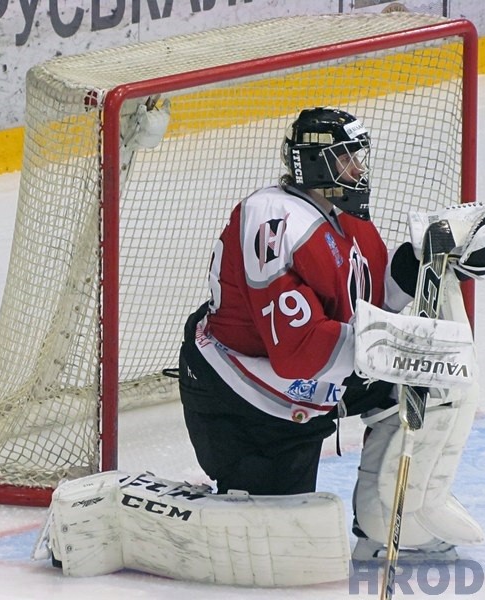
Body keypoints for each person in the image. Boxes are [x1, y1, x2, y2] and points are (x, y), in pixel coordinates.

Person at [178, 107, 420, 497]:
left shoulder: (343, 215)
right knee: (271, 538)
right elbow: (298, 351)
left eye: (357, 158)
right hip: (245, 398)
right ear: (314, 165)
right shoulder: (273, 221)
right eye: (345, 159)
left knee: (422, 387)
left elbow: (372, 297)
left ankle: (386, 525)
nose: (357, 170)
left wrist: (426, 262)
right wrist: (398, 346)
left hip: (311, 378)